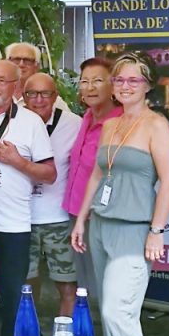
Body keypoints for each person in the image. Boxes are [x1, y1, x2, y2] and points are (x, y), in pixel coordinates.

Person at [70, 52, 169, 336]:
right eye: (119, 79)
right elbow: (97, 173)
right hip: (101, 225)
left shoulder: (157, 126)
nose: (125, 85)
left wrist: (156, 231)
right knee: (106, 311)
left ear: (148, 85)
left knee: (118, 313)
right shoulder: (110, 124)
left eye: (133, 79)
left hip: (134, 230)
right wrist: (81, 219)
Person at [0, 59, 55, 336]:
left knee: (10, 301)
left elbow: (49, 174)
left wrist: (17, 161)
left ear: (16, 87)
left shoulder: (30, 122)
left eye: (1, 80)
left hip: (12, 227)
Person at [23, 73, 82, 318]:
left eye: (45, 93)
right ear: (23, 97)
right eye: (32, 94)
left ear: (55, 96)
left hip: (59, 217)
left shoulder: (74, 123)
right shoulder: (14, 120)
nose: (38, 100)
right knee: (26, 284)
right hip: (22, 219)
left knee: (68, 283)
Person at [63, 57, 122, 299]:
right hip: (76, 213)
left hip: (101, 215)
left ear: (113, 86)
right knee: (84, 285)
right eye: (85, 81)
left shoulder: (120, 122)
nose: (89, 87)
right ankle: (87, 334)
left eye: (98, 81)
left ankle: (107, 335)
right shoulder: (86, 117)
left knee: (106, 286)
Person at [6, 42, 70, 111]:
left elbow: (69, 120)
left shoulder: (50, 99)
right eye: (16, 60)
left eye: (27, 60)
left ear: (36, 67)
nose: (21, 64)